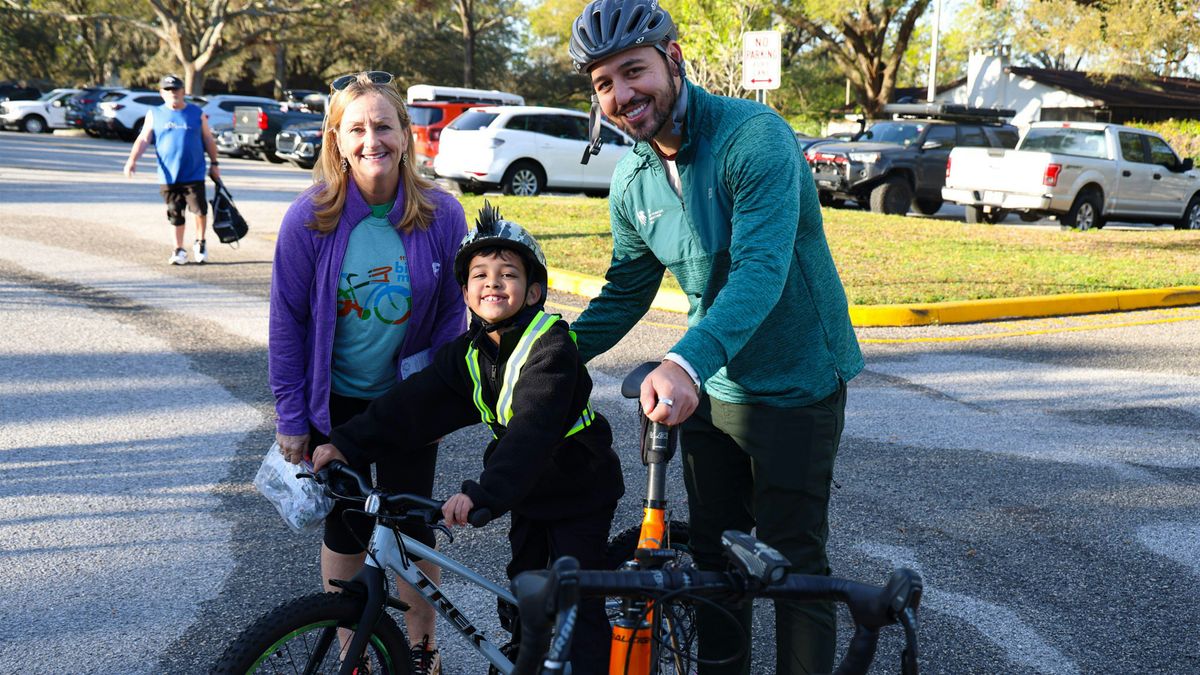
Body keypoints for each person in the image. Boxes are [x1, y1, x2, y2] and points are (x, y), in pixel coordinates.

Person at [566, 1, 865, 673]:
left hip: (795, 381)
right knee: (711, 562)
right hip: (708, 384)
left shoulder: (753, 138)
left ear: (673, 59)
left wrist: (683, 360)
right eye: (604, 83)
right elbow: (625, 289)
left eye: (633, 71)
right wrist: (547, 355)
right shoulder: (633, 179)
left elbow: (763, 269)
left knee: (793, 565)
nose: (621, 95)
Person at [312, 202, 624, 675]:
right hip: (531, 491)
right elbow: (414, 404)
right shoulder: (472, 352)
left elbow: (530, 433)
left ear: (534, 290)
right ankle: (528, 657)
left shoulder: (552, 348)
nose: (492, 283)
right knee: (525, 590)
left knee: (573, 605)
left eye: (508, 274)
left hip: (578, 486)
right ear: (465, 292)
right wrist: (346, 444)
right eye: (479, 274)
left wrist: (481, 494)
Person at [270, 70, 467, 675]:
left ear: (406, 135)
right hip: (340, 408)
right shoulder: (309, 218)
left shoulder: (441, 215)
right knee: (347, 525)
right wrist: (293, 417)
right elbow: (287, 323)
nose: (370, 139)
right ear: (336, 138)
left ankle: (423, 651)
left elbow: (449, 322)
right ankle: (351, 648)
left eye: (384, 125)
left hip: (406, 405)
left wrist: (436, 404)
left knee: (411, 528)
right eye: (356, 128)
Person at [123, 74, 220, 265]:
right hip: (168, 175)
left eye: (175, 89)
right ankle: (178, 249)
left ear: (183, 91)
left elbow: (208, 138)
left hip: (194, 173)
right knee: (175, 212)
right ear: (161, 93)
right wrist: (132, 160)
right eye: (168, 90)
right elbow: (144, 139)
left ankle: (200, 243)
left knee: (199, 210)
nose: (172, 93)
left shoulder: (196, 113)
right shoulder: (155, 114)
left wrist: (215, 163)